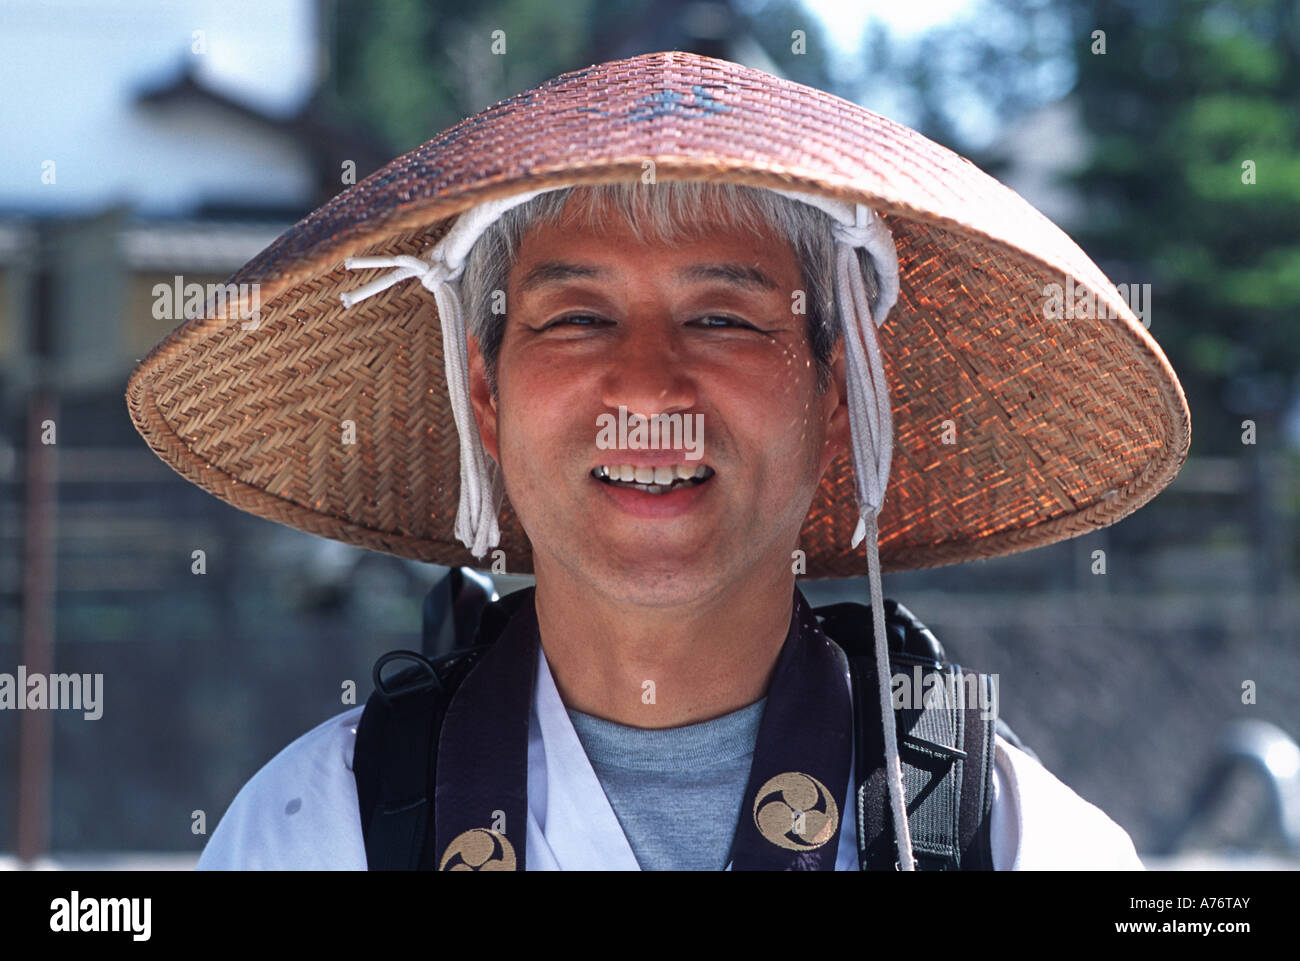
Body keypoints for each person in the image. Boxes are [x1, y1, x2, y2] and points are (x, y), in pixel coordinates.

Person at [126, 51, 1189, 870]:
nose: (647, 388)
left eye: (723, 318)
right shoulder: (326, 827)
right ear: (486, 396)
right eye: (576, 318)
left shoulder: (1001, 838)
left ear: (831, 400)